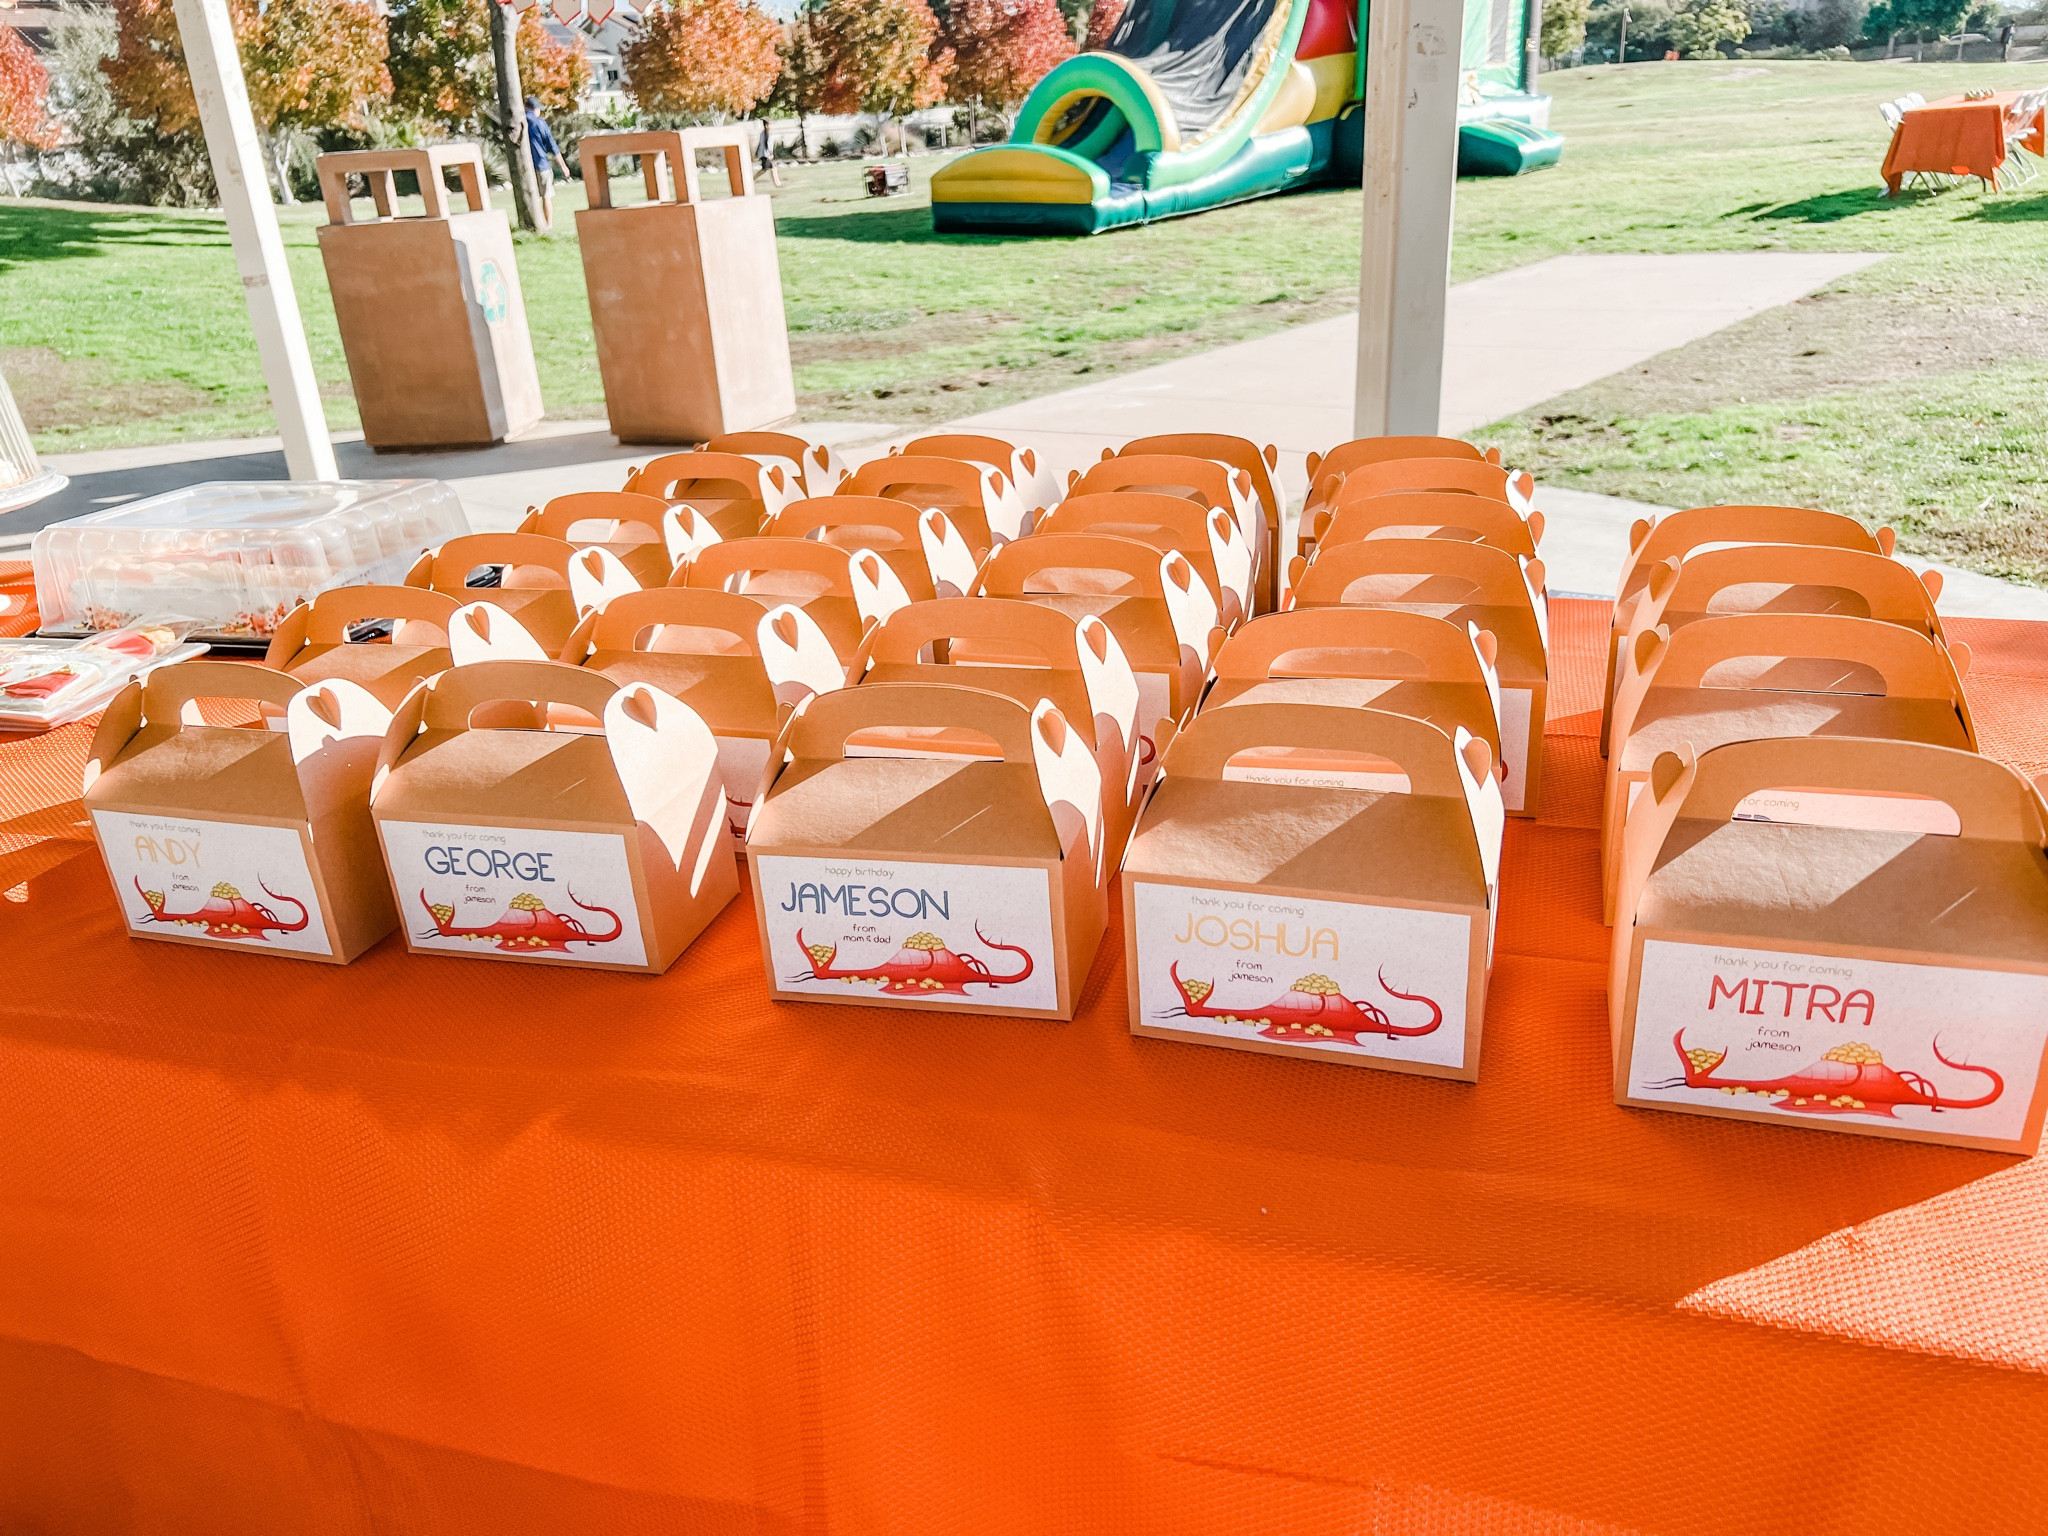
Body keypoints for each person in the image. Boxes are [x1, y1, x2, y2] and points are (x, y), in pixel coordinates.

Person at [523, 95, 571, 231]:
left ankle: (533, 225)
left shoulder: (520, 121)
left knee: (534, 197)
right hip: (541, 164)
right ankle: (548, 225)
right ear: (536, 109)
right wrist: (563, 166)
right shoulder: (540, 123)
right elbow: (552, 145)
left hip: (526, 167)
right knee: (546, 196)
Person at [756, 116, 784, 188]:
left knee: (772, 168)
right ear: (766, 125)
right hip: (766, 154)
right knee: (765, 170)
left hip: (765, 154)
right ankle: (753, 179)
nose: (771, 126)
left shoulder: (764, 133)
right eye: (770, 124)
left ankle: (778, 183)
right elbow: (766, 144)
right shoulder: (766, 133)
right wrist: (770, 154)